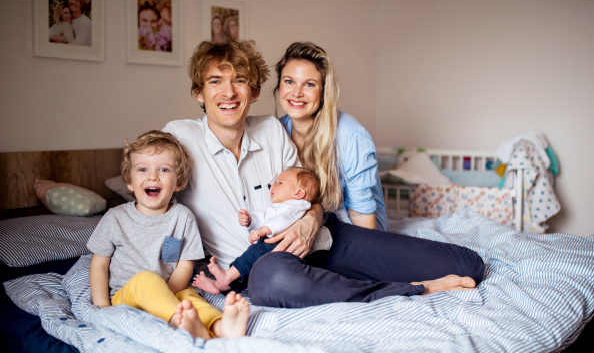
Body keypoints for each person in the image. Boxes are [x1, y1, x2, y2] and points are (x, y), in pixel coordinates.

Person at [163, 37, 484, 310]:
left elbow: (311, 198)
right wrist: (167, 272)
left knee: (468, 265)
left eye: (240, 81)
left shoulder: (273, 130)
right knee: (271, 279)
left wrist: (309, 220)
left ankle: (349, 276)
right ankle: (414, 289)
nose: (228, 93)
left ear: (256, 90)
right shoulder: (179, 137)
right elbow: (154, 209)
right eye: (215, 81)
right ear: (198, 92)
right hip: (260, 263)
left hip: (322, 237)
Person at [87, 130, 249, 340]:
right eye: (142, 169)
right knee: (146, 279)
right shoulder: (115, 218)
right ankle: (181, 324)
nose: (152, 176)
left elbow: (184, 265)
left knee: (190, 297)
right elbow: (99, 264)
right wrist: (103, 308)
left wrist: (167, 292)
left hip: (170, 290)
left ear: (179, 182)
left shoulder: (183, 217)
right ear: (129, 181)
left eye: (163, 169)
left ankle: (219, 327)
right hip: (126, 298)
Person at [274, 42, 388, 231]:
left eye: (309, 84)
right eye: (289, 81)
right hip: (310, 231)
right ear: (279, 85)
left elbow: (361, 215)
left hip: (355, 231)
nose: (296, 93)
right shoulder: (276, 131)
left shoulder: (351, 135)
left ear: (323, 91)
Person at [191, 167, 327, 294]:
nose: (272, 186)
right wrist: (251, 220)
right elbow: (265, 218)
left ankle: (227, 276)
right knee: (253, 267)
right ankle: (221, 286)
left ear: (299, 193)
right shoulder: (280, 206)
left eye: (280, 183)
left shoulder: (297, 205)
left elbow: (283, 220)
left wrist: (263, 230)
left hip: (281, 244)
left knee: (253, 255)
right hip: (275, 244)